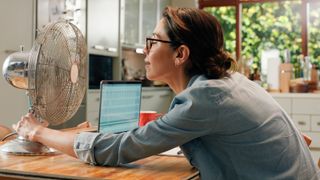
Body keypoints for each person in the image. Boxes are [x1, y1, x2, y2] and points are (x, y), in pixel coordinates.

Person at [13, 7, 319, 179]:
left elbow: (114, 149)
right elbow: (299, 139)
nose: (146, 51)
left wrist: (39, 132)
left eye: (154, 42)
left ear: (180, 54)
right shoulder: (231, 82)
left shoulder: (204, 99)